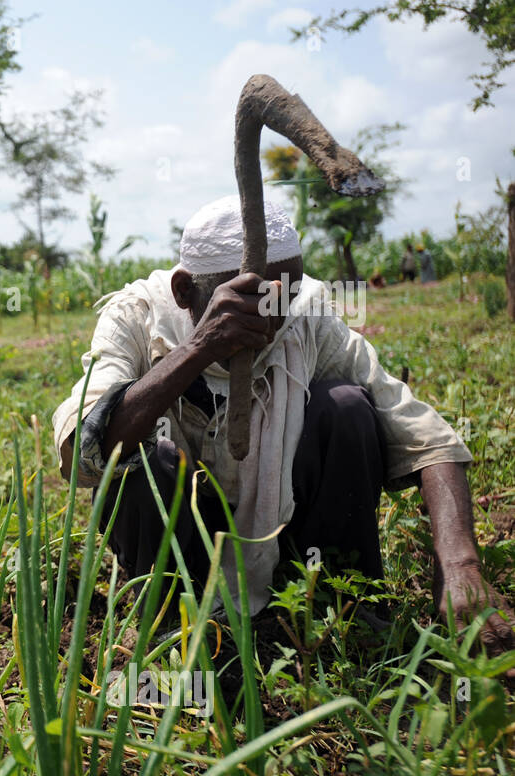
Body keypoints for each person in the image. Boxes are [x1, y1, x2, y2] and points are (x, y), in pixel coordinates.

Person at [53, 195, 512, 669]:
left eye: (282, 298)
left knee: (348, 407)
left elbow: (424, 434)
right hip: (175, 535)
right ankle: (172, 624)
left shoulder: (306, 314)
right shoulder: (136, 316)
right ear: (185, 291)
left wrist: (460, 566)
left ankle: (341, 608)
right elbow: (82, 447)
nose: (271, 320)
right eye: (249, 303)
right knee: (145, 460)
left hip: (281, 524)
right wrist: (201, 346)